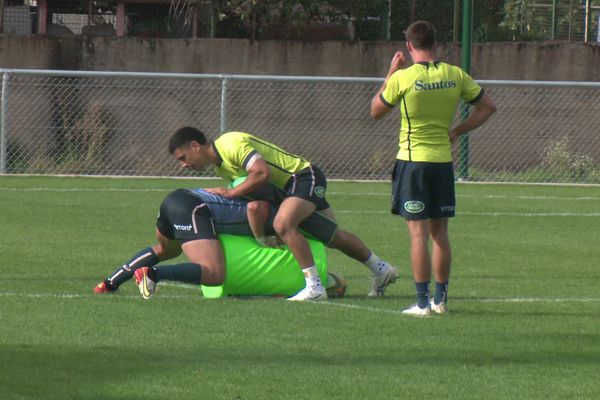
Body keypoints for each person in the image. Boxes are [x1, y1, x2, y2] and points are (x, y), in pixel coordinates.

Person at [168, 127, 398, 301]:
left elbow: (261, 173)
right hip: (286, 193)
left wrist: (229, 193)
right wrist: (260, 235)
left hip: (303, 177)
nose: (184, 165)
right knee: (332, 235)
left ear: (195, 145)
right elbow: (256, 195)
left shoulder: (230, 143)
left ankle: (315, 287)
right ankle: (382, 269)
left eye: (183, 158)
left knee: (284, 224)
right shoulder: (221, 167)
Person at [370, 20, 497, 316]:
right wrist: (457, 131)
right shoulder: (455, 74)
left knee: (418, 235)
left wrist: (390, 72)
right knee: (440, 234)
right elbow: (488, 106)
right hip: (442, 164)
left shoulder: (404, 77)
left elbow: (375, 110)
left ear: (409, 45)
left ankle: (423, 303)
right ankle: (440, 301)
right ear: (435, 44)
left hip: (413, 164)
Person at [93, 186, 336, 297]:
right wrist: (263, 239)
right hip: (193, 208)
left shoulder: (249, 186)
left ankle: (110, 283)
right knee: (214, 273)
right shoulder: (272, 208)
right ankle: (154, 274)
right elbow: (254, 209)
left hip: (177, 198)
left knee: (165, 249)